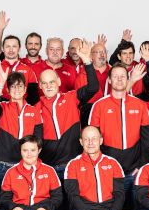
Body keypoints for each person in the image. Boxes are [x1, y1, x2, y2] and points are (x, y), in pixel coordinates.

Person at [37, 39, 102, 173]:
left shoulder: (71, 98)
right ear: (40, 86)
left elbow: (93, 87)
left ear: (59, 82)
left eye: (52, 82)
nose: (48, 86)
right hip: (47, 168)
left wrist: (87, 62)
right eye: (45, 83)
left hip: (71, 166)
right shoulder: (36, 108)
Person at [89, 63, 149, 178]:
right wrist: (99, 164)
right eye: (115, 76)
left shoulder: (140, 105)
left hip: (134, 169)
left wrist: (142, 165)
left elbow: (147, 139)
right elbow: (91, 139)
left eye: (123, 76)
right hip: (107, 168)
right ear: (109, 80)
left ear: (128, 80)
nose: (119, 79)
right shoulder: (98, 105)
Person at [0, 65, 43, 185]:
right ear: (7, 90)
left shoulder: (34, 110)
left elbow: (38, 138)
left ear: (25, 89)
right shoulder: (2, 107)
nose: (16, 89)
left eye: (20, 86)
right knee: (4, 202)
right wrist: (1, 83)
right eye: (12, 86)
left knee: (24, 201)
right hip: (4, 165)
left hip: (27, 165)